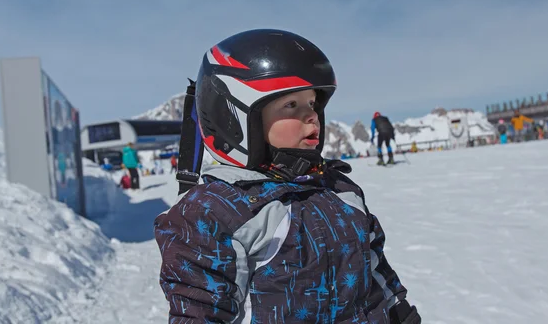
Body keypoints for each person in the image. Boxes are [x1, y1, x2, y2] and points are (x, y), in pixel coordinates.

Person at [154, 29, 420, 323]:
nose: (311, 116)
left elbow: (375, 271)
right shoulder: (213, 213)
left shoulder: (341, 191)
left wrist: (401, 314)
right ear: (237, 117)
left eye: (312, 103)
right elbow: (199, 310)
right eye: (291, 105)